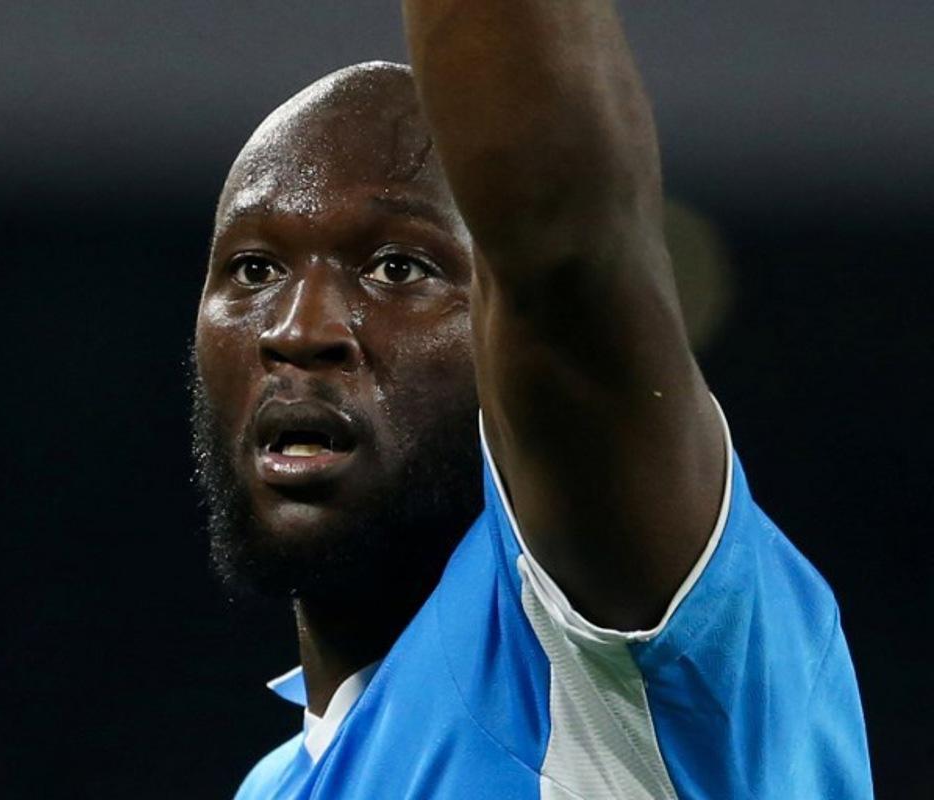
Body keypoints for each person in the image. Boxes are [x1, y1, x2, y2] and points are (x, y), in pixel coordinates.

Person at [190, 2, 873, 797]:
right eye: (254, 271)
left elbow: (559, 244)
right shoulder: (273, 785)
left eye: (398, 268)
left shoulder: (615, 656)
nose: (298, 329)